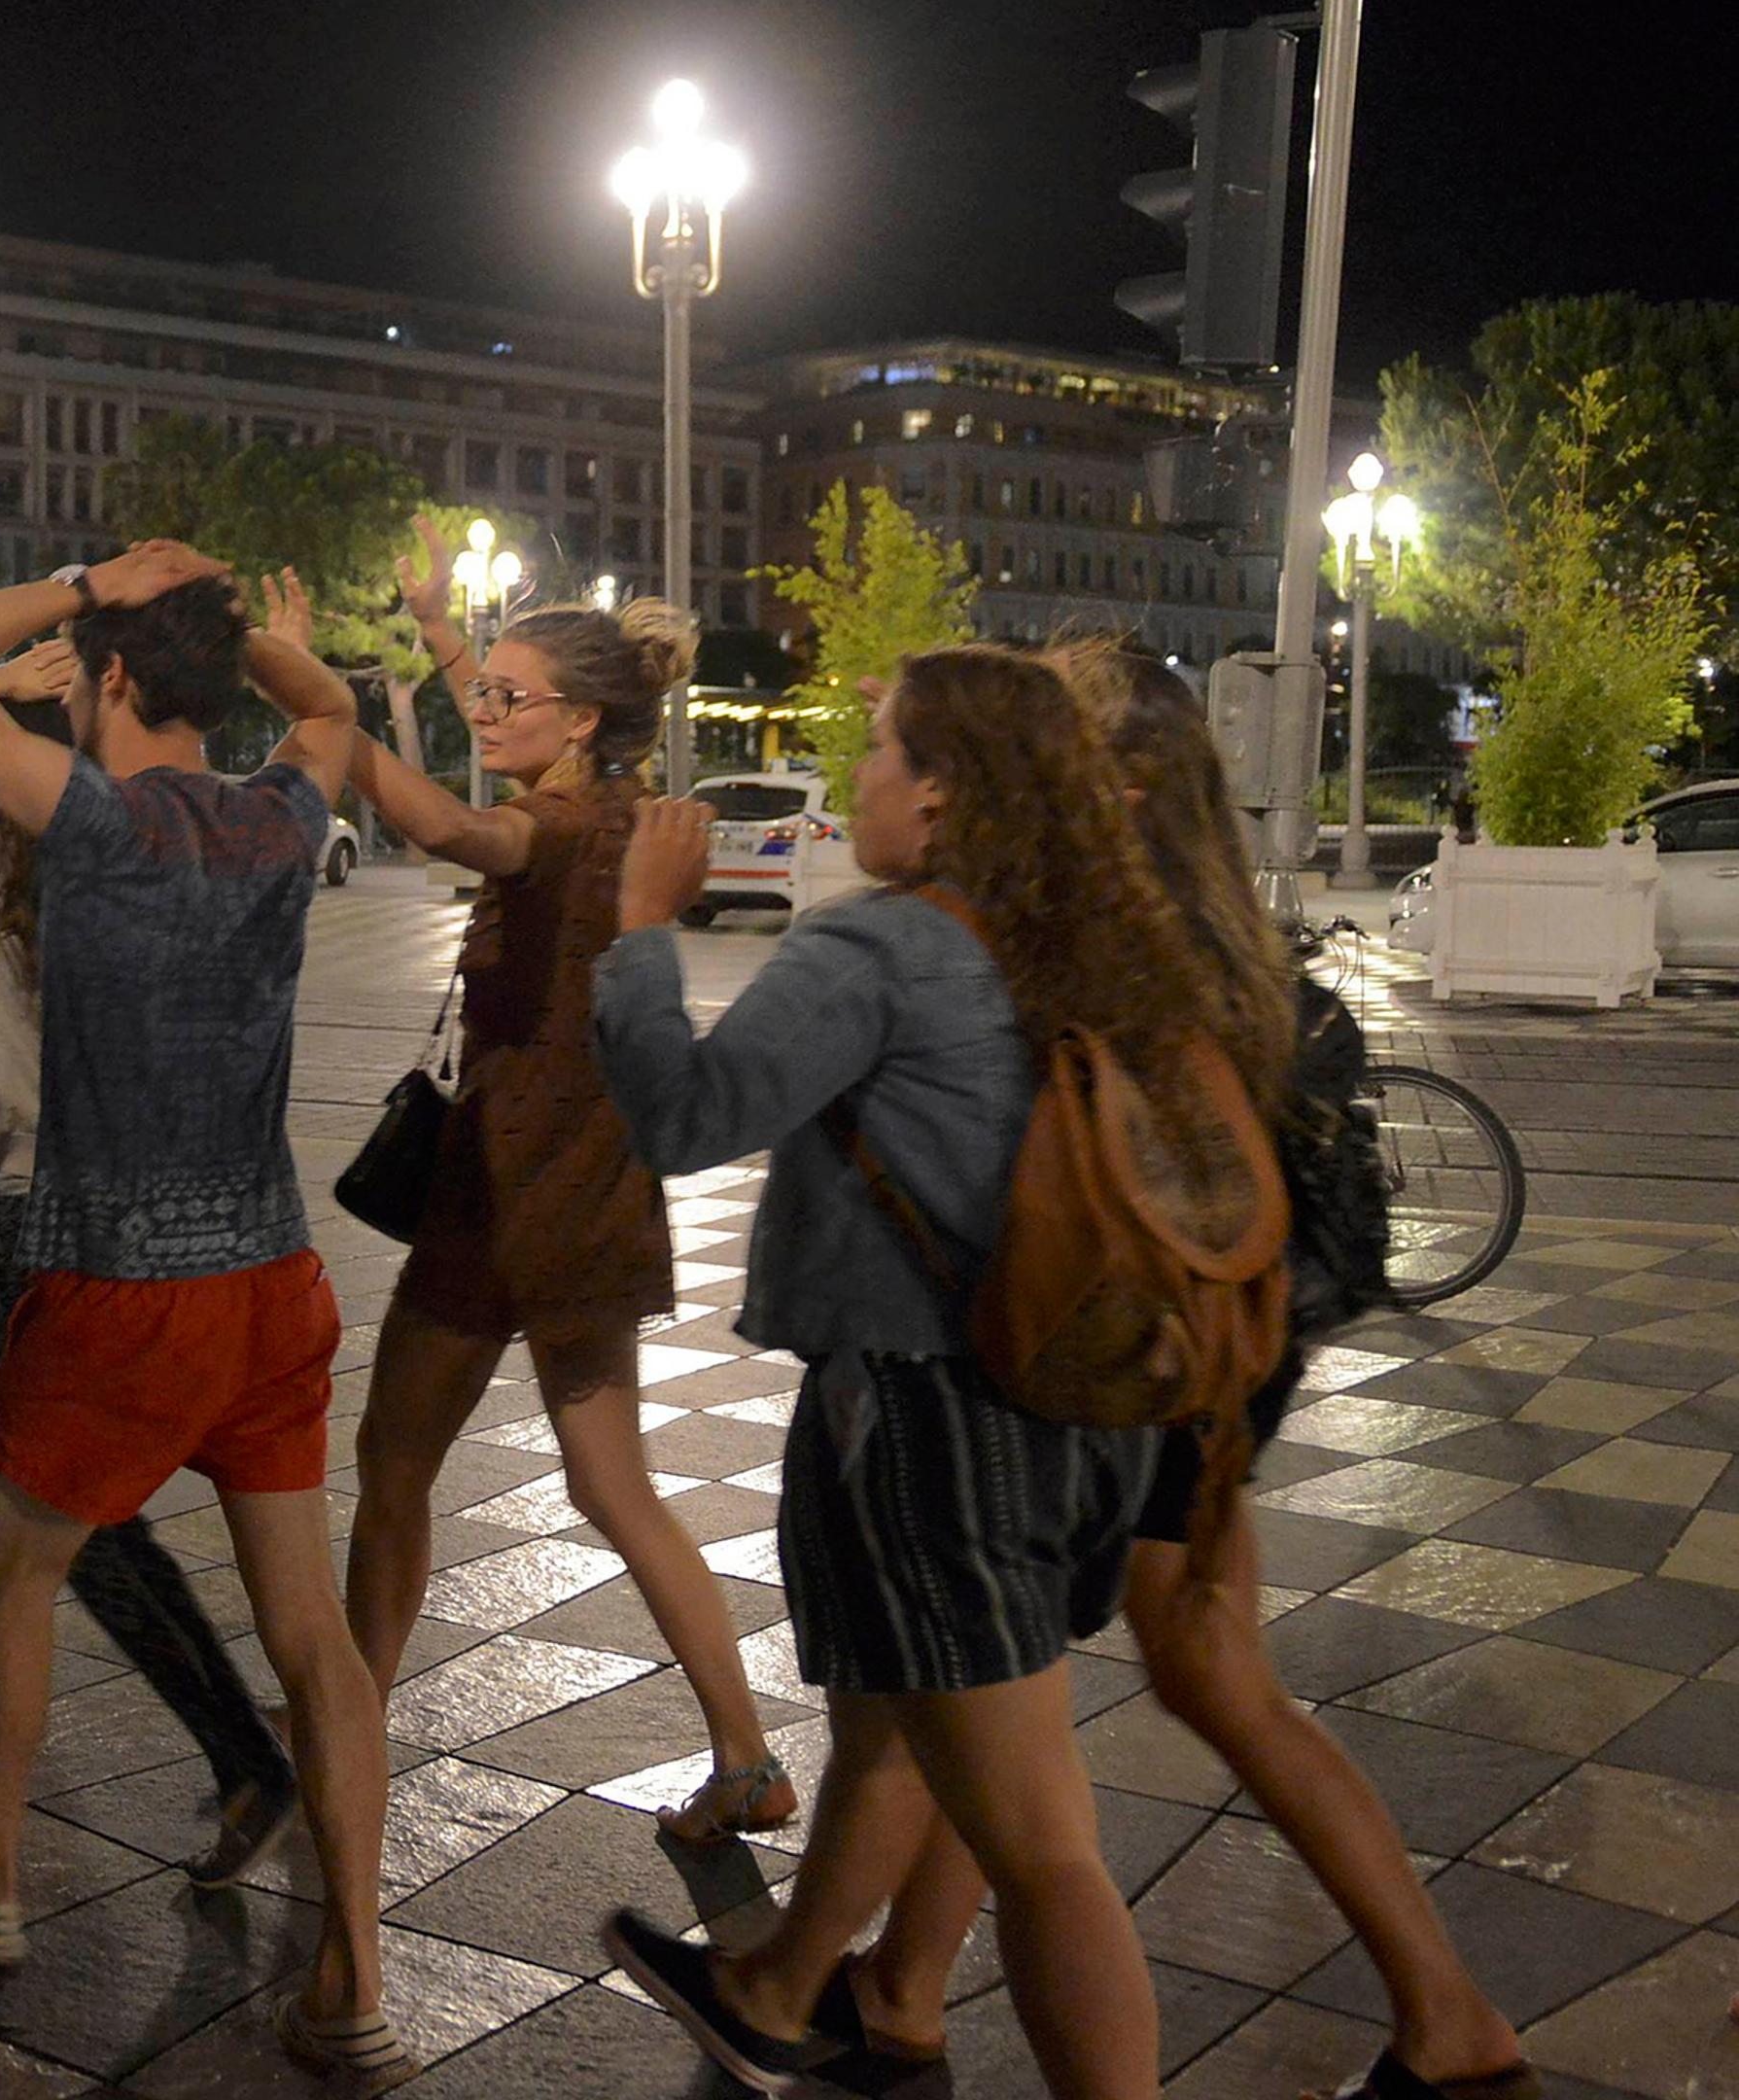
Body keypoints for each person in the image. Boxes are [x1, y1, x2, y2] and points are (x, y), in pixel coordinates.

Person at [822, 642, 1537, 2100]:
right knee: (1134, 1673)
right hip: (1231, 1341)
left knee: (1140, 1674)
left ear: (1122, 778)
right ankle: (897, 1991)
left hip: (1157, 1343)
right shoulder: (1219, 930)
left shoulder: (1114, 938)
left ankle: (1452, 2025)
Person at [590, 646, 1238, 2100]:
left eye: (878, 748)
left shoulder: (881, 946)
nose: (858, 781)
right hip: (1083, 1407)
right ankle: (793, 1990)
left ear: (941, 792)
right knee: (908, 1724)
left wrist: (643, 932)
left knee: (1044, 1847)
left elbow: (686, 1117)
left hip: (936, 1422)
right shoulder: (1092, 935)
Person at [0, 543, 410, 2091]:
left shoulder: (84, 821)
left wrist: (85, 577)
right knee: (312, 1640)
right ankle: (357, 1971)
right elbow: (337, 704)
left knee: (19, 1570)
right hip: (271, 1284)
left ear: (106, 682)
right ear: (217, 691)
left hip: (118, 1285)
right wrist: (248, 635)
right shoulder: (285, 813)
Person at [0, 612, 301, 1890]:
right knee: (4, 1497)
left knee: (52, 1514)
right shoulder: (151, 851)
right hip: (167, 1214)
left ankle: (227, 1754)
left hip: (27, 1211)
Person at [345, 520, 785, 1845]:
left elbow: (444, 825)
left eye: (505, 696)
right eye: (478, 693)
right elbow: (505, 741)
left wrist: (327, 716)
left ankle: (345, 1726)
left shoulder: (557, 822)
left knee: (391, 1462)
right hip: (588, 1192)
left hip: (506, 1199)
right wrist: (439, 638)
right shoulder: (604, 804)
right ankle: (746, 1753)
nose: (485, 708)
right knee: (612, 1484)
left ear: (583, 719)